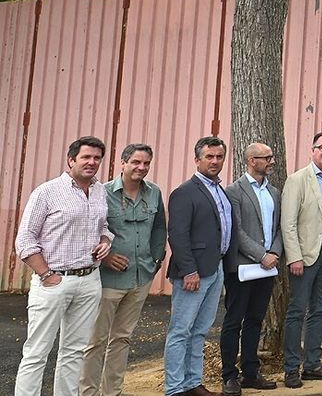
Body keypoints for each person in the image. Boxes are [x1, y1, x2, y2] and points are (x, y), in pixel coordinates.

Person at [14, 136, 114, 396]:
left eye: (96, 158)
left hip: (90, 279)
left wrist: (105, 240)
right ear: (71, 160)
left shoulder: (100, 190)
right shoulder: (47, 192)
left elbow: (103, 226)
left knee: (74, 351)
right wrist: (46, 274)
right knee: (37, 352)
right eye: (86, 157)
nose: (92, 162)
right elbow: (25, 239)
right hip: (53, 281)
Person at [82, 142, 166, 396]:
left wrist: (155, 261)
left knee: (122, 339)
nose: (141, 168)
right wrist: (105, 258)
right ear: (123, 163)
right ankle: (87, 392)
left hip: (140, 278)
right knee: (95, 341)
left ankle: (112, 391)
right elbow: (86, 232)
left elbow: (160, 228)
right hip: (108, 280)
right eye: (136, 162)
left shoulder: (154, 193)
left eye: (146, 163)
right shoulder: (101, 192)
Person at [165, 136, 231, 396]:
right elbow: (178, 235)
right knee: (181, 331)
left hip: (216, 269)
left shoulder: (219, 190)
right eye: (209, 157)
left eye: (219, 157)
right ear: (197, 160)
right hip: (193, 273)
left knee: (200, 331)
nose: (215, 161)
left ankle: (193, 383)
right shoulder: (184, 192)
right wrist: (189, 271)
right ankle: (174, 388)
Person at [280, 131, 322, 387]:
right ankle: (291, 368)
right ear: (312, 150)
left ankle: (313, 364)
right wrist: (294, 257)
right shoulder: (298, 180)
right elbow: (288, 223)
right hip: (305, 255)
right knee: (297, 311)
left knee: (320, 310)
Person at [220, 142, 283, 395]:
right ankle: (229, 375)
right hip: (243, 267)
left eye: (271, 156)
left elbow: (279, 227)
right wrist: (261, 255)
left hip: (267, 267)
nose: (271, 161)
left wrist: (275, 252)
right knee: (234, 321)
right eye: (266, 157)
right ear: (251, 161)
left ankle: (250, 371)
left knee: (255, 320)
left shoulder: (274, 192)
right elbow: (237, 230)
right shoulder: (234, 191)